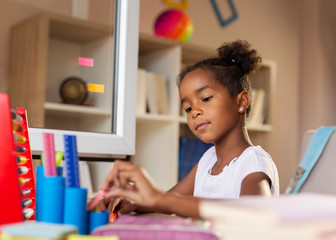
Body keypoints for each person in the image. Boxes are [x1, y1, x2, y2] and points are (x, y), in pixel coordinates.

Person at [97, 39, 279, 218]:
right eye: (188, 108)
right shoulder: (208, 161)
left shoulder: (253, 162)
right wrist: (134, 202)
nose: (194, 112)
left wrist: (160, 199)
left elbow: (254, 213)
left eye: (206, 98)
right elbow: (170, 200)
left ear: (241, 102)